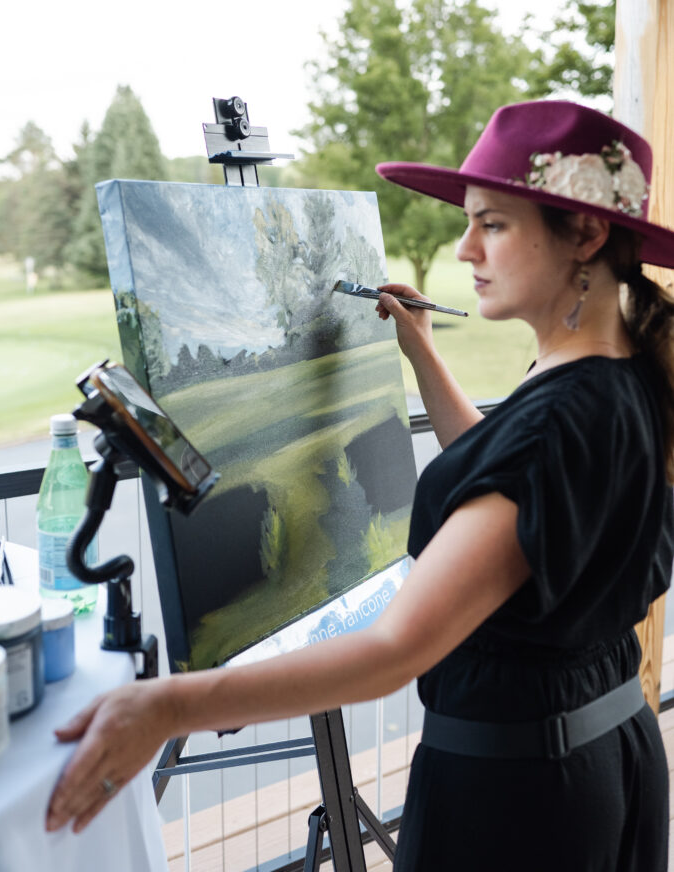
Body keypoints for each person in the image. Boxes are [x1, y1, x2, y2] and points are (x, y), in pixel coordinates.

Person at [47, 99, 674, 870]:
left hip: (520, 805)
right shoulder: (623, 379)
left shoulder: (560, 422)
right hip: (600, 757)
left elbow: (393, 648)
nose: (464, 247)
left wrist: (171, 702)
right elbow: (515, 493)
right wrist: (422, 357)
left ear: (585, 234)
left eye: (493, 224)